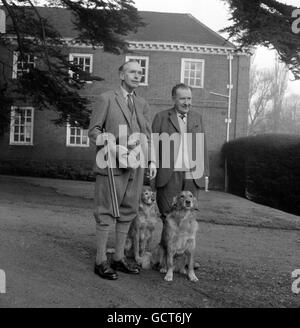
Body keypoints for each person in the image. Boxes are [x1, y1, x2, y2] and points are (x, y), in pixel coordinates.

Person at [88, 61, 156, 280]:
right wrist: (111, 145)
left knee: (128, 211)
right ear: (121, 74)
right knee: (106, 212)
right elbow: (93, 131)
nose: (137, 76)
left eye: (140, 73)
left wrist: (152, 160)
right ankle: (100, 261)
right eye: (132, 72)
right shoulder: (106, 98)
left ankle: (118, 258)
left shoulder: (142, 103)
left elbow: (147, 135)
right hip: (111, 165)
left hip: (136, 167)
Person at [152, 83, 209, 219]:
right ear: (174, 99)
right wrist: (152, 164)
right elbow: (152, 145)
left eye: (189, 99)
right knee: (167, 212)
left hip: (192, 172)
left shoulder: (197, 117)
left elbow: (203, 145)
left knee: (188, 213)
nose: (187, 102)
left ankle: (183, 241)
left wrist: (205, 172)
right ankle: (167, 241)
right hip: (169, 172)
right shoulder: (161, 117)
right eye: (182, 99)